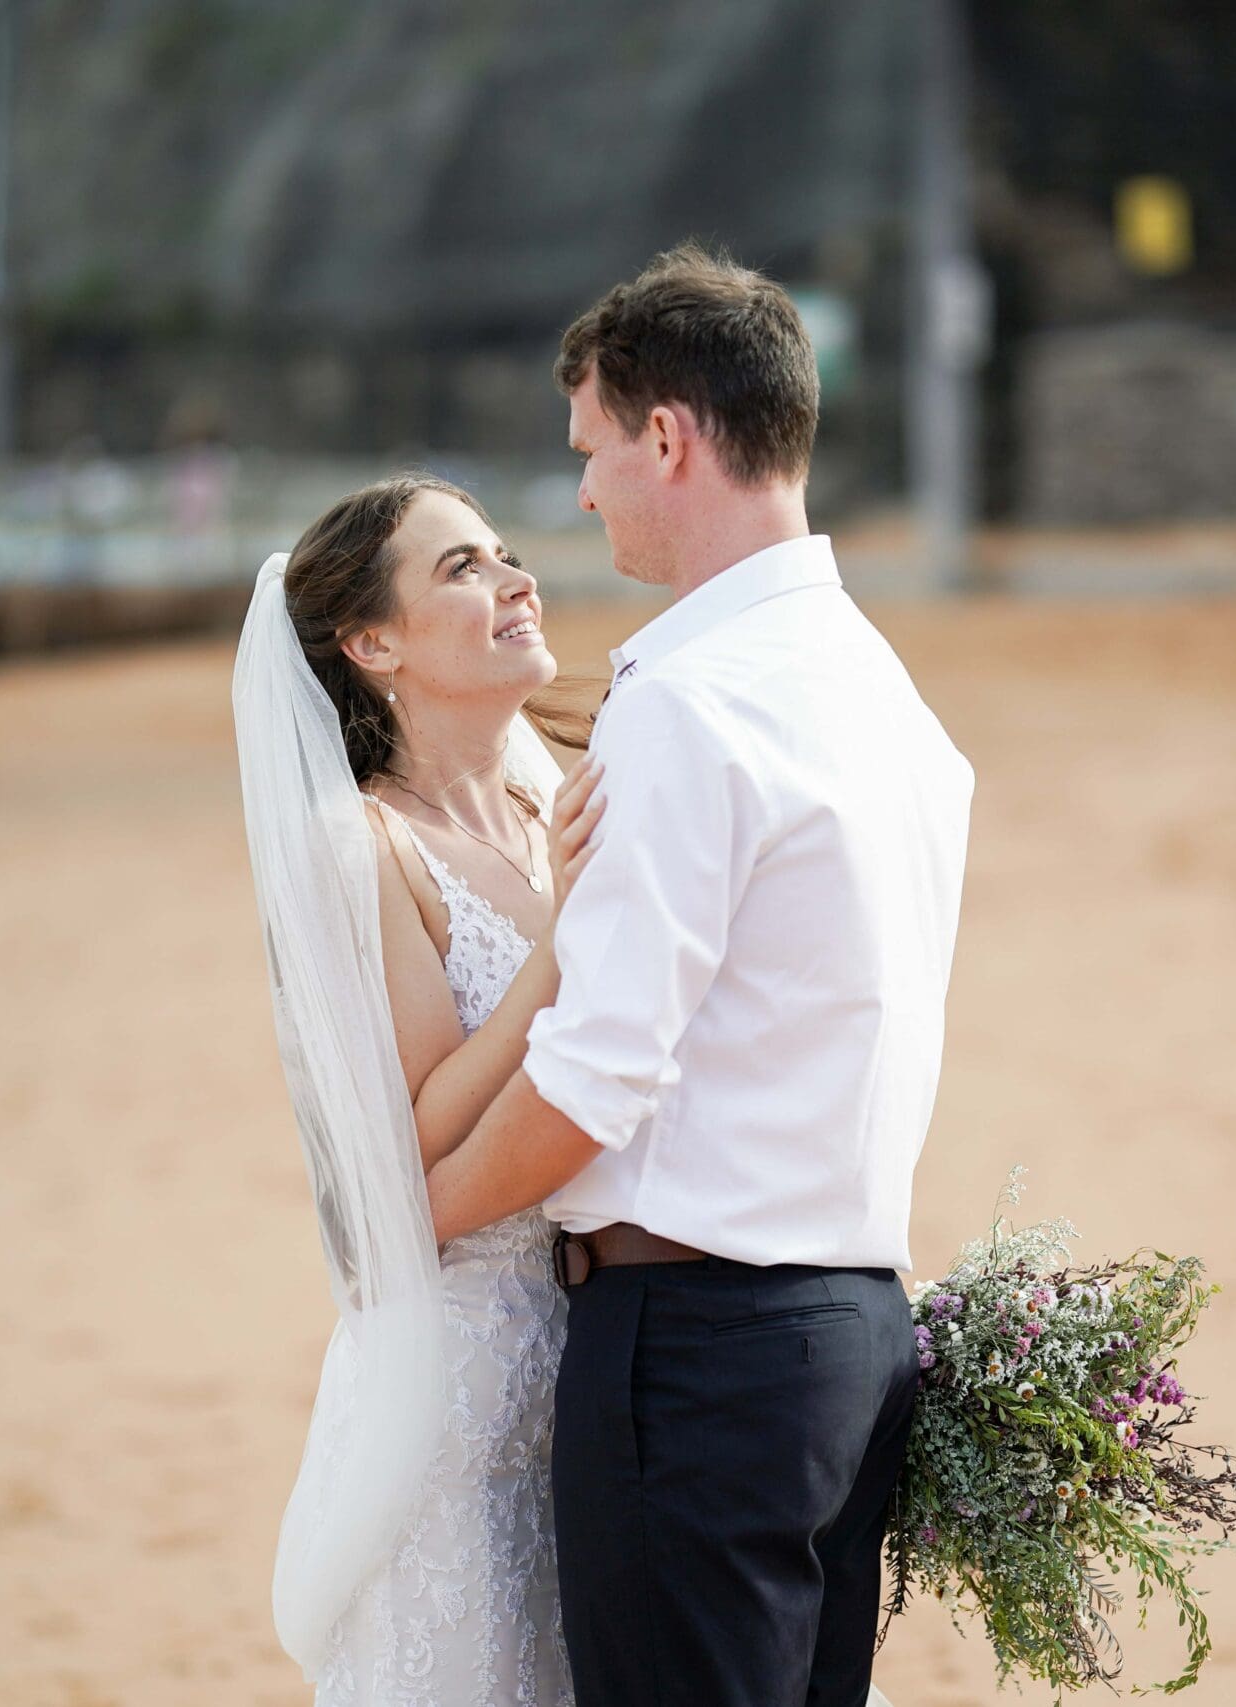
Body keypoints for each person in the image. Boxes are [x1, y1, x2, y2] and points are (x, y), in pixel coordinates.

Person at [423, 243, 975, 1707]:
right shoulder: (895, 704)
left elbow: (594, 1081)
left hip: (699, 1354)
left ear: (667, 434)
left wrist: (406, 1212)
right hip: (856, 1339)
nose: (586, 489)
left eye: (593, 447)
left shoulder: (686, 701)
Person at [230, 471, 604, 1706]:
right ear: (371, 643)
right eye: (460, 567)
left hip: (612, 1360)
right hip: (463, 1388)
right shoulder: (366, 846)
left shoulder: (558, 796)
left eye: (502, 553)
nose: (513, 578)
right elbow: (409, 1137)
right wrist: (559, 950)